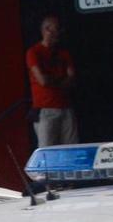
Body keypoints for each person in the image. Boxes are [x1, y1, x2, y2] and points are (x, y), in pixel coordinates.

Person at [26, 16, 78, 147]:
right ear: (46, 30)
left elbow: (72, 78)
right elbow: (42, 80)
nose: (59, 33)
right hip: (45, 109)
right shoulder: (34, 52)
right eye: (56, 29)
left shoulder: (63, 53)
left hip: (65, 107)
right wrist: (61, 80)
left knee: (71, 149)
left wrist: (53, 80)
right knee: (47, 151)